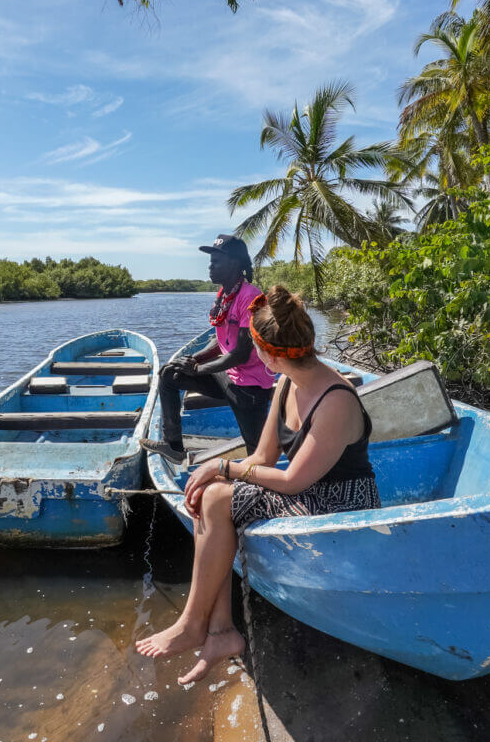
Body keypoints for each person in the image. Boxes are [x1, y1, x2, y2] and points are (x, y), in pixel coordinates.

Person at [134, 285, 381, 684]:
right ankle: (218, 632)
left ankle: (197, 626)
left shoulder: (335, 399)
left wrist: (223, 469)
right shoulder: (285, 382)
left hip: (340, 502)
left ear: (267, 351)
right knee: (207, 496)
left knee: (217, 495)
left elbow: (291, 478)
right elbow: (262, 459)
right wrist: (217, 472)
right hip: (303, 489)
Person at [140, 234, 275, 464]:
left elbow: (241, 353)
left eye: (215, 262)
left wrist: (198, 370)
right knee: (169, 374)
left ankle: (266, 486)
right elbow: (220, 340)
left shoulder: (253, 298)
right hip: (229, 377)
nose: (210, 267)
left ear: (234, 263)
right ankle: (173, 446)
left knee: (257, 452)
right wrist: (194, 359)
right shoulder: (224, 294)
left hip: (249, 387)